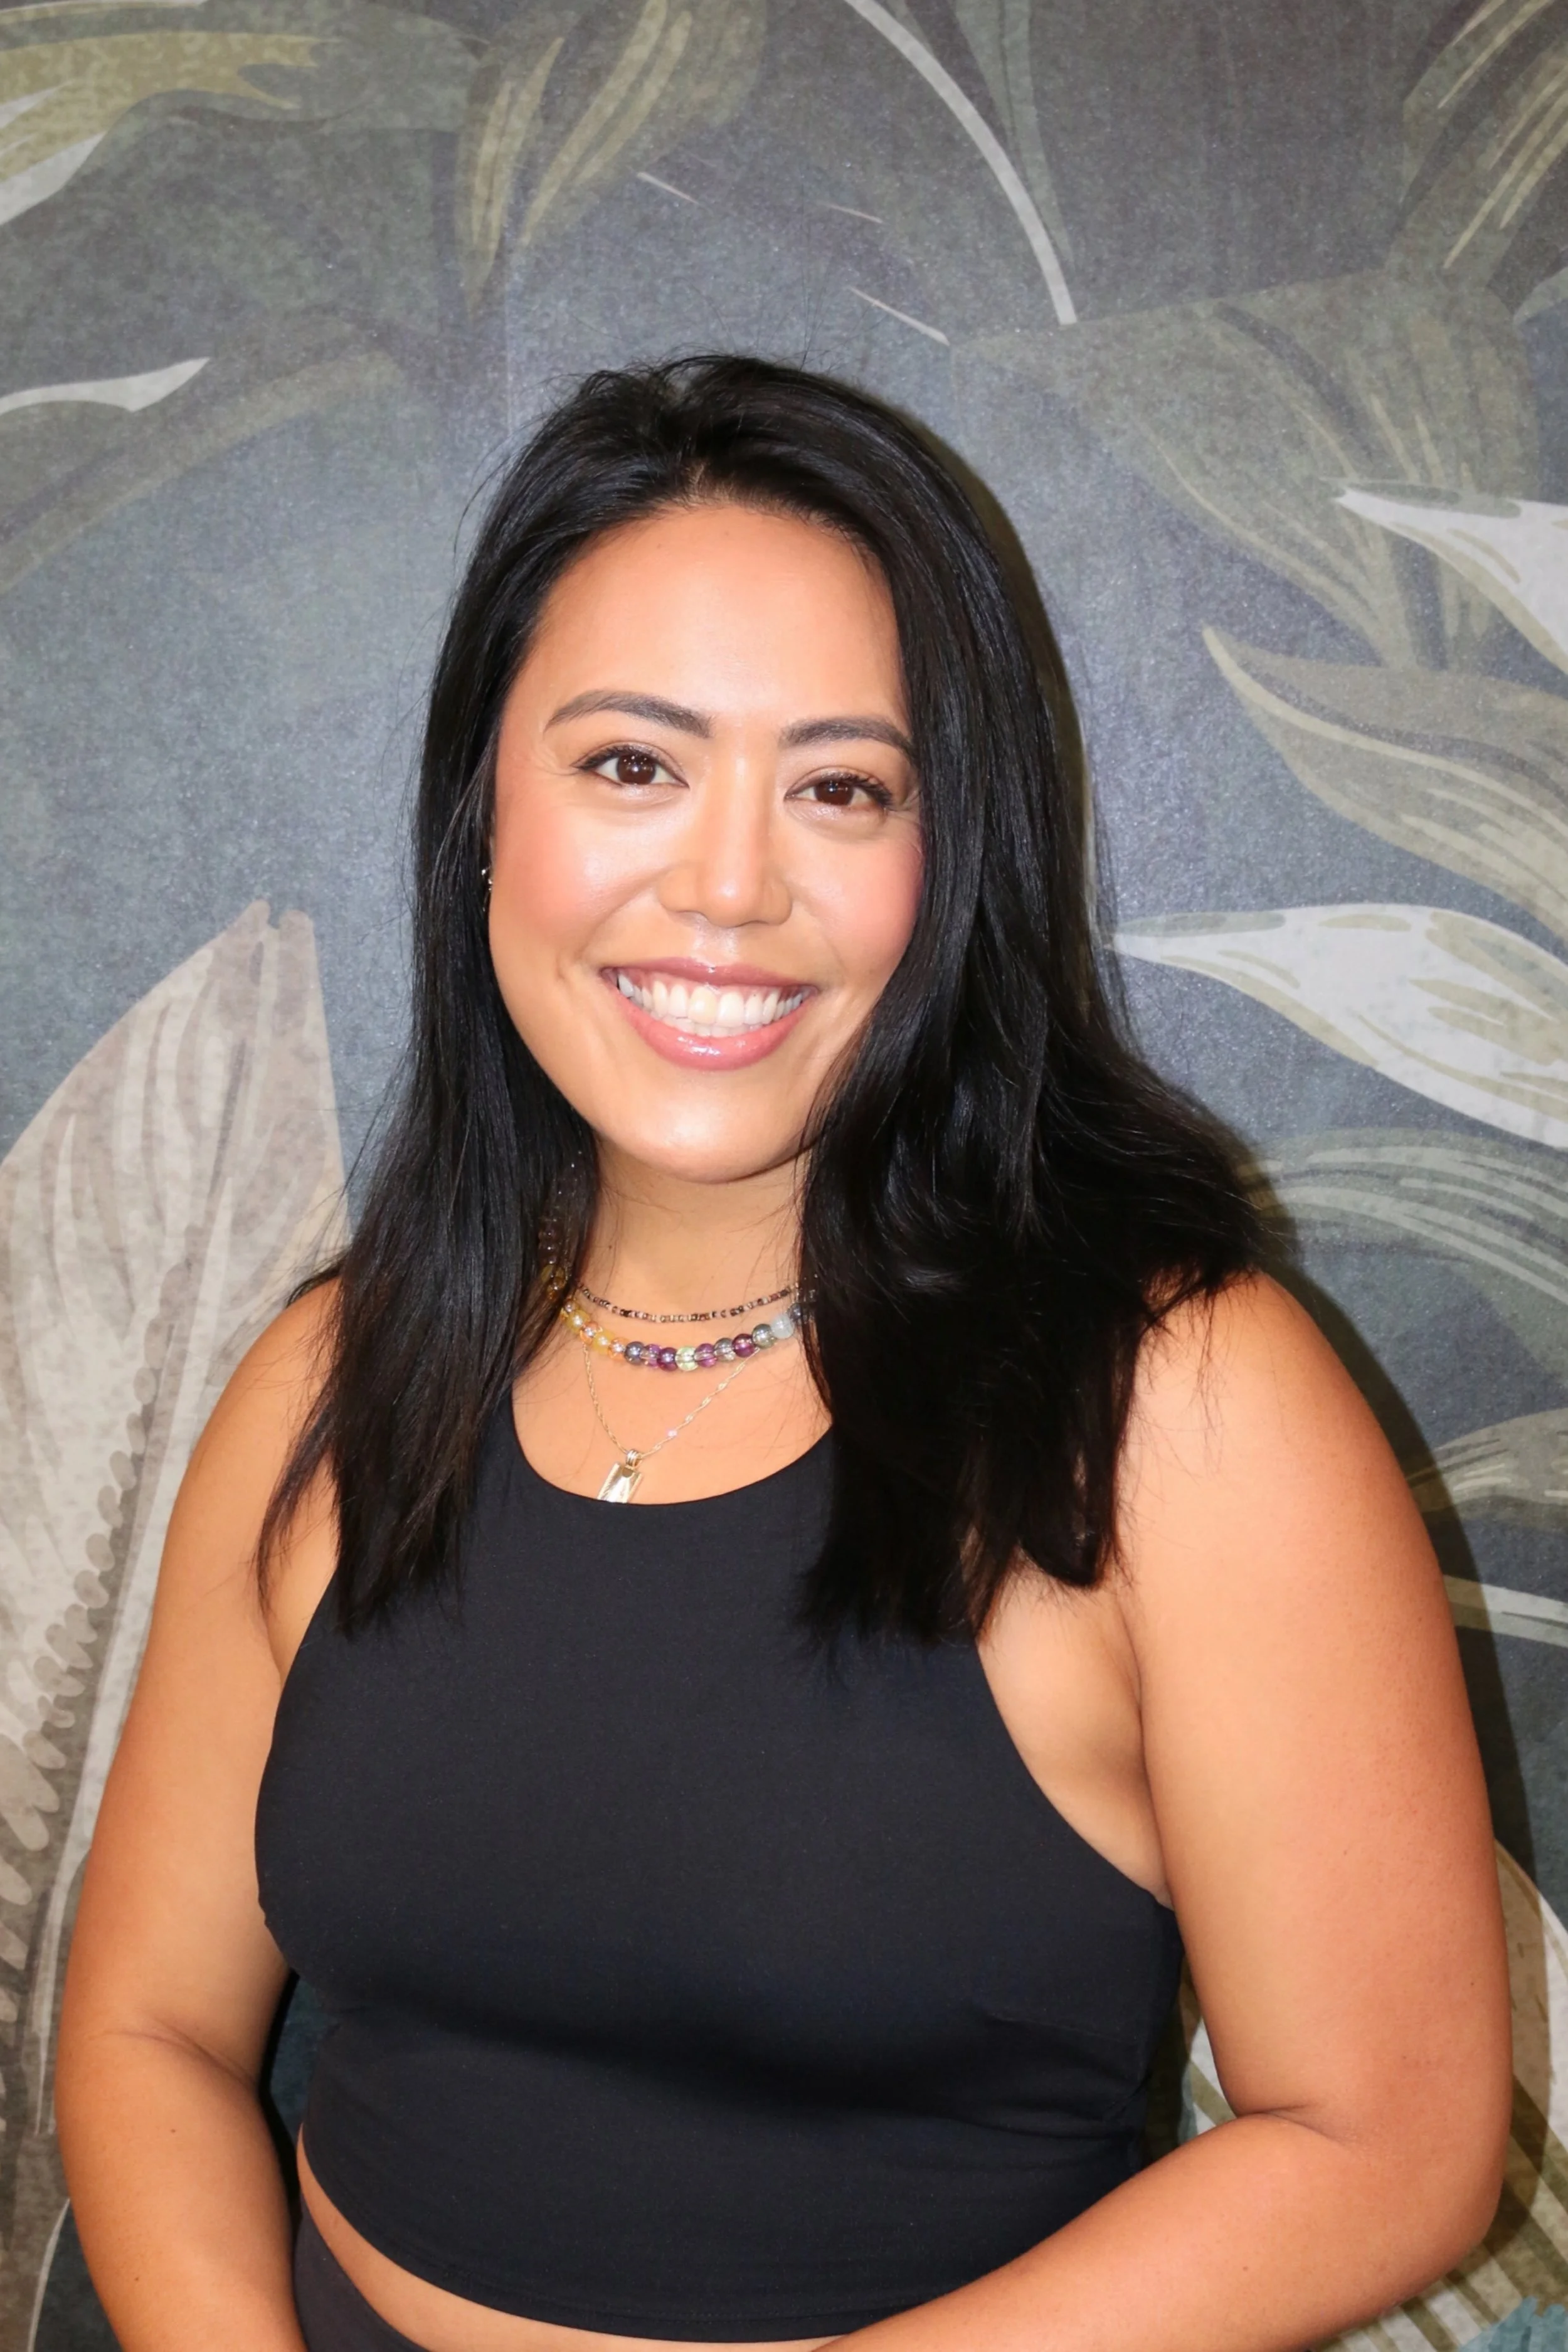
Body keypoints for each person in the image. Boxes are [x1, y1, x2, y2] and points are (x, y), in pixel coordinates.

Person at [57, 356, 1508, 2352]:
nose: (729, 884)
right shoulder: (331, 1374)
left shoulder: (1176, 1404)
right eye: (630, 765)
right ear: (484, 815)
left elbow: (1380, 2138)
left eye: (840, 787)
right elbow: (144, 2023)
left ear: (952, 860)